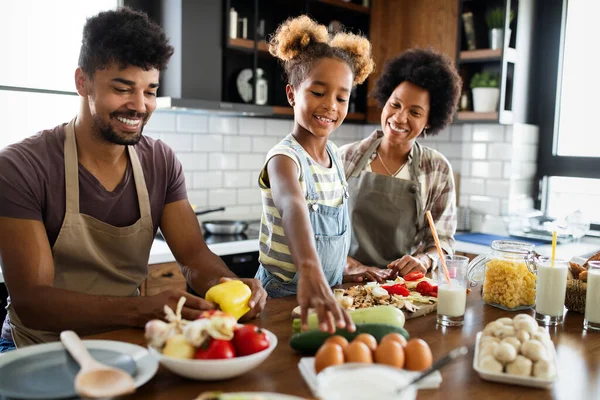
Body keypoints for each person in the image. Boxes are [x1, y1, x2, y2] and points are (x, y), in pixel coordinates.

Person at [0, 7, 266, 351]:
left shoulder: (161, 162)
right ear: (83, 82)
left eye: (150, 91)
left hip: (123, 346)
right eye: (123, 88)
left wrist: (232, 286)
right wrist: (140, 310)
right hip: (36, 349)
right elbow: (34, 303)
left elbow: (194, 256)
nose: (139, 106)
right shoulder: (22, 166)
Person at [255, 16, 375, 332]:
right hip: (279, 299)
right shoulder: (284, 158)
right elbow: (292, 205)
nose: (330, 106)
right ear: (293, 94)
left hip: (327, 292)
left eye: (341, 97)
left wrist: (342, 269)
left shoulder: (335, 156)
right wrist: (310, 269)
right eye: (318, 92)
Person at [340, 48, 461, 282]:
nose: (399, 118)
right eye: (395, 105)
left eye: (415, 112)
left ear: (429, 121)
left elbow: (442, 241)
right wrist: (347, 265)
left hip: (403, 290)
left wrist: (424, 261)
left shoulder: (437, 169)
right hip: (344, 284)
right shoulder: (345, 158)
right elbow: (321, 233)